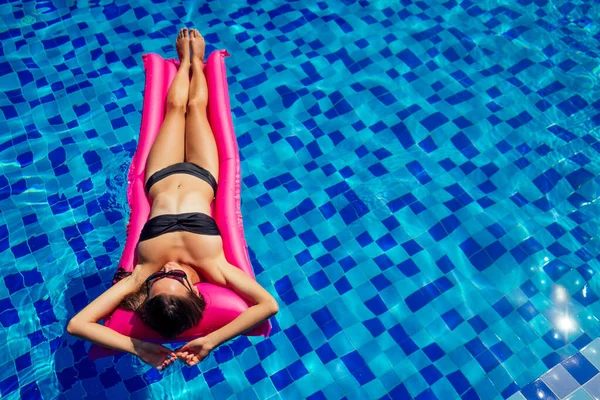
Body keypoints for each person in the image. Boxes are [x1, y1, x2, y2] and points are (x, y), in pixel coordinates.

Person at [67, 28, 279, 371]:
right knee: (196, 107)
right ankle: (197, 60)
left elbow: (78, 324)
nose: (167, 268)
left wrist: (138, 347)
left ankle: (184, 63)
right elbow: (268, 305)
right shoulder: (216, 269)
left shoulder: (141, 274)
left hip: (160, 175)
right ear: (197, 294)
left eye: (157, 280)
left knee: (173, 107)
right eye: (177, 277)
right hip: (203, 172)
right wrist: (211, 339)